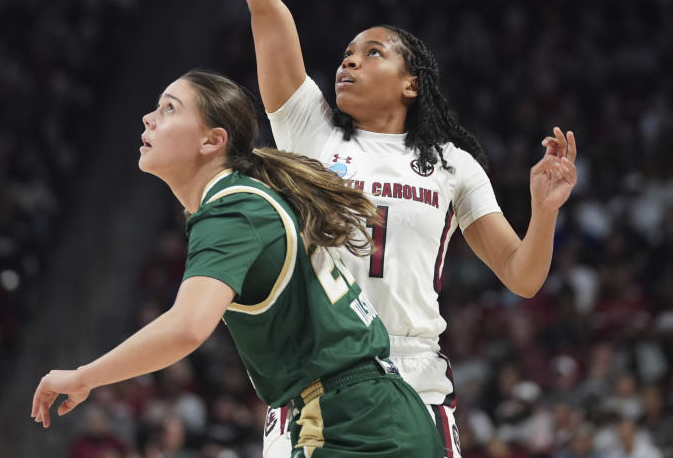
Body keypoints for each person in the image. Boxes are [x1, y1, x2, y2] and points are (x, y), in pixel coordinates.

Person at [173, 0, 578, 458]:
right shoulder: (310, 129)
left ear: (412, 82)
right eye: (345, 54)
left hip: (412, 378)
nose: (349, 61)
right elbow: (266, 5)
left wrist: (543, 212)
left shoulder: (453, 164)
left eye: (371, 52)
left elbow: (521, 276)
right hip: (313, 375)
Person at [31, 69, 444, 458]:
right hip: (375, 412)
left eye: (169, 108)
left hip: (354, 422)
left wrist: (84, 376)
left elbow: (187, 327)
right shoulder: (244, 199)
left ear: (211, 141)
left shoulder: (232, 208)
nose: (148, 117)